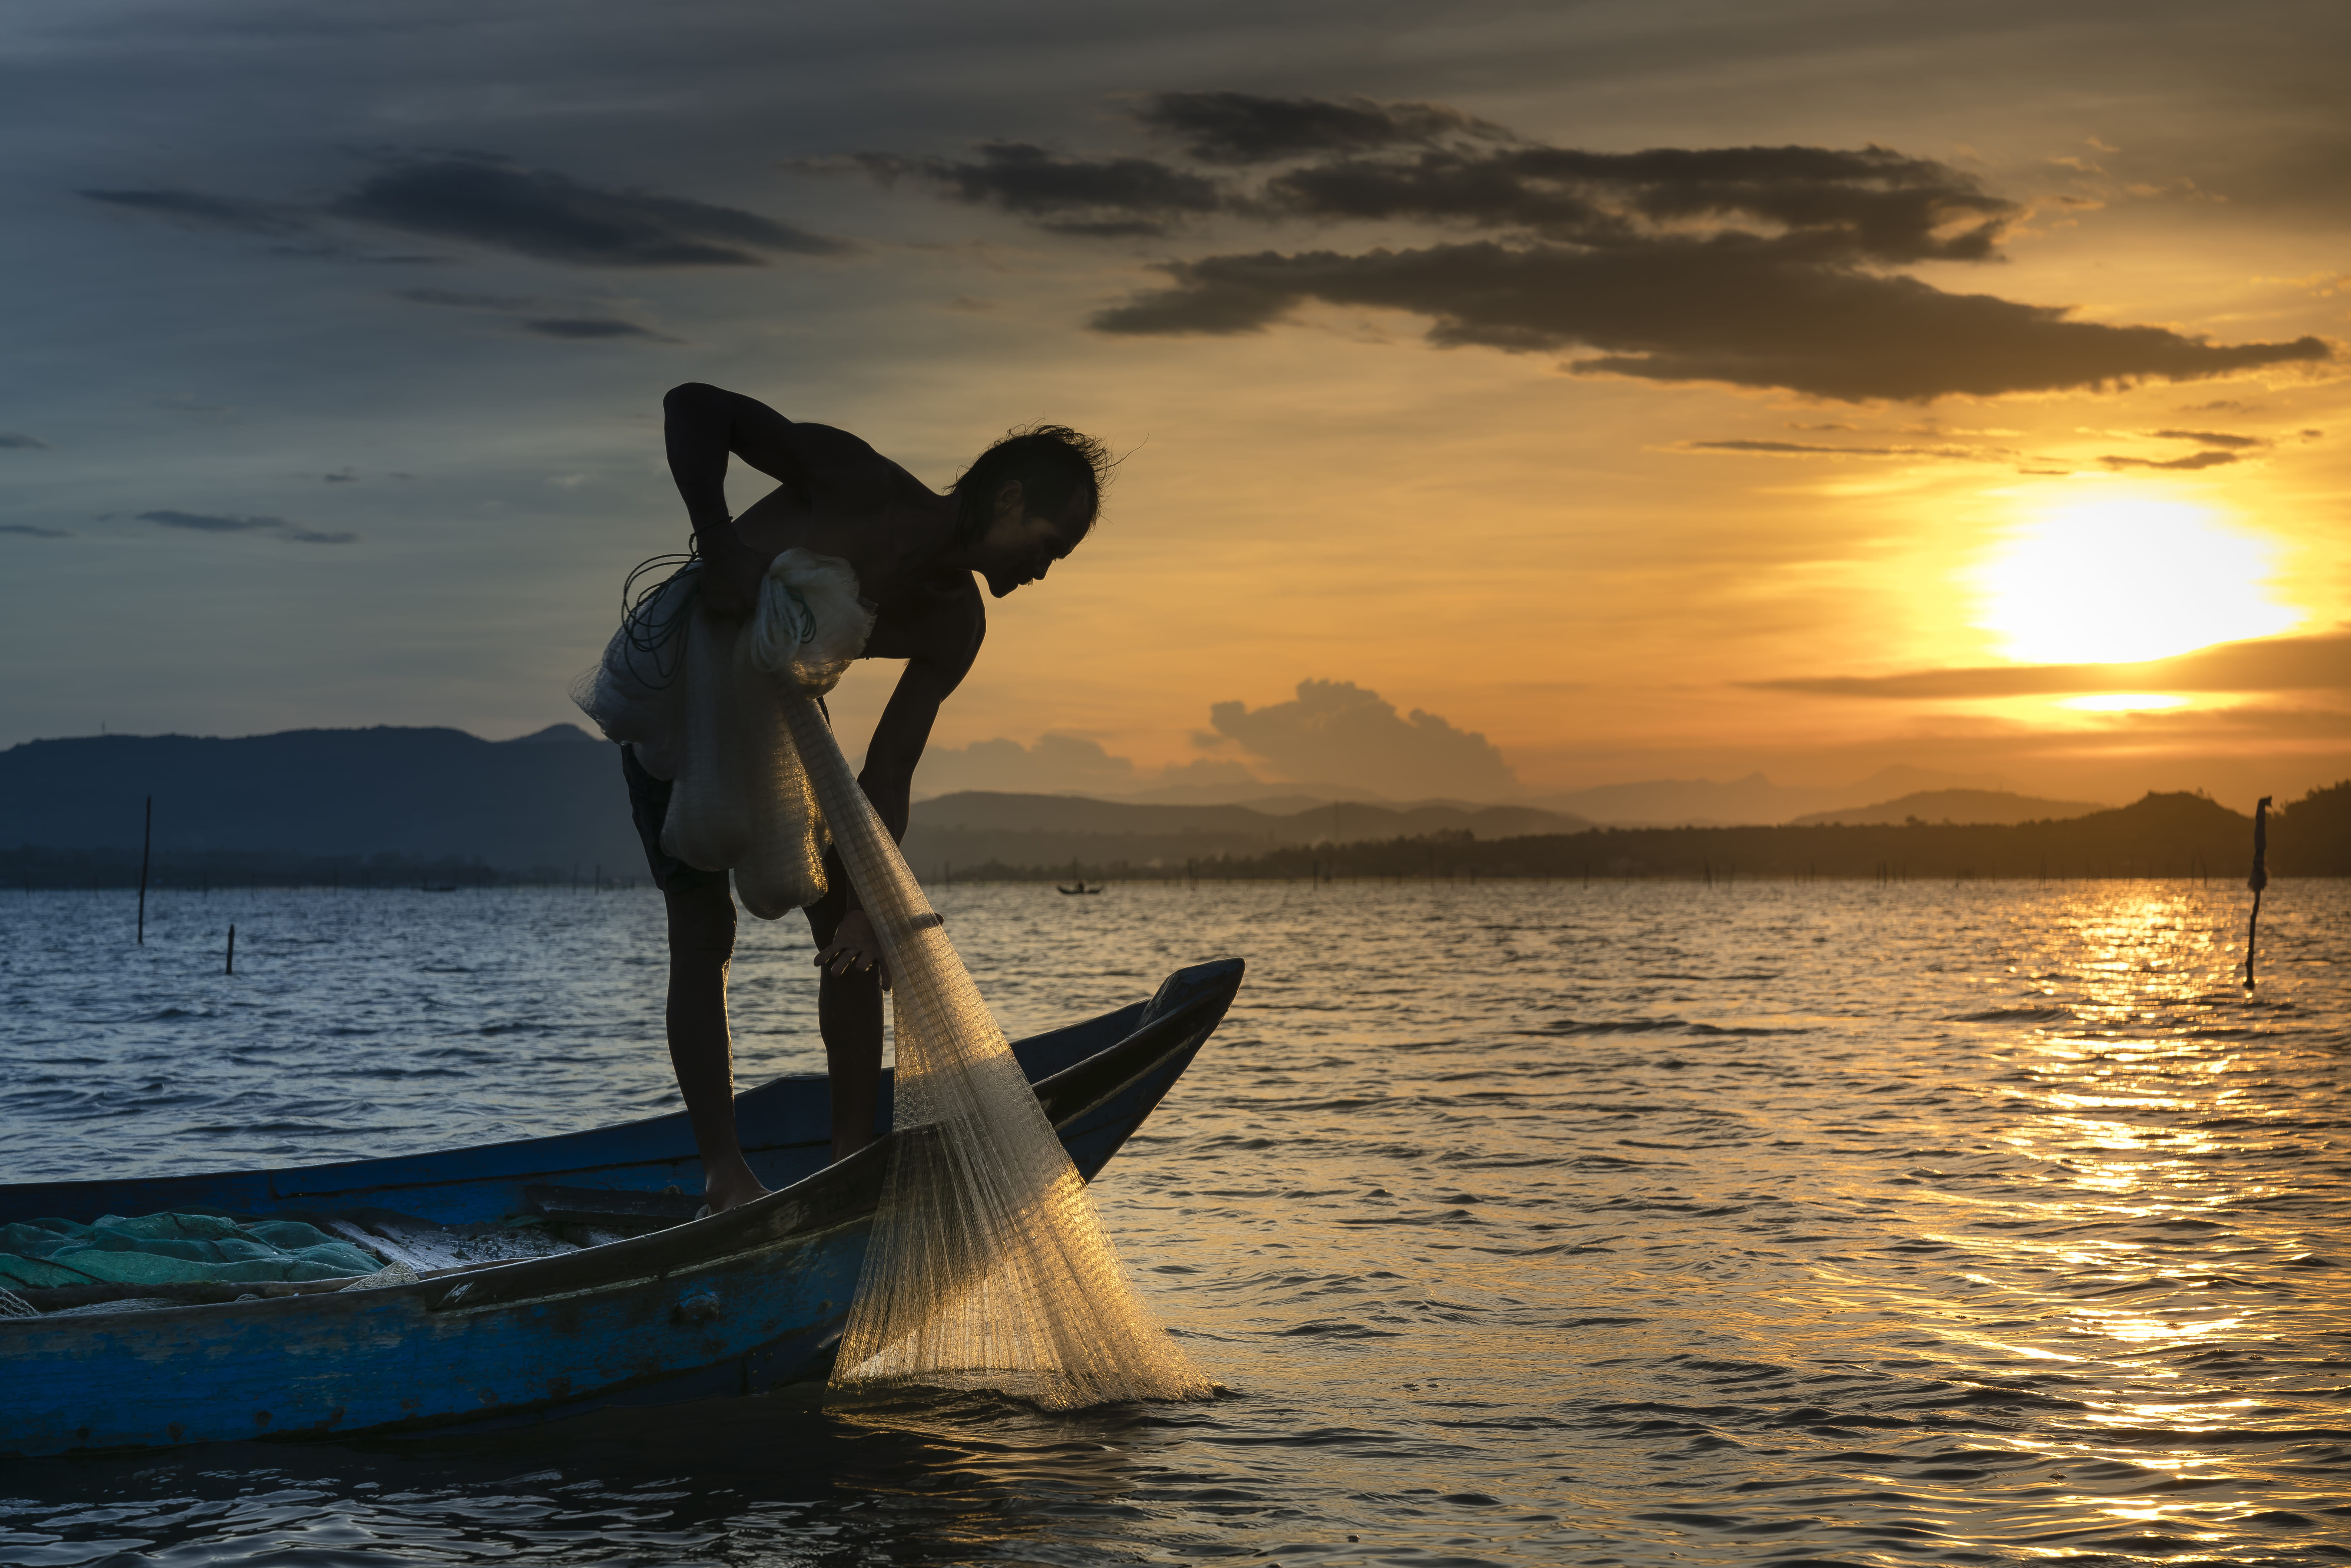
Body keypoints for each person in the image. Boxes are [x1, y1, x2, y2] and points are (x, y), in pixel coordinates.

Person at [629, 382, 1107, 1213]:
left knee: (858, 914)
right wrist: (719, 544)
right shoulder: (857, 484)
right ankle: (723, 1175)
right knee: (703, 929)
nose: (1042, 569)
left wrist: (869, 911)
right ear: (1008, 496)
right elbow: (692, 406)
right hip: (684, 694)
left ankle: (848, 1155)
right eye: (1046, 544)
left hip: (782, 721)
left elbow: (887, 774)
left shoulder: (953, 624)